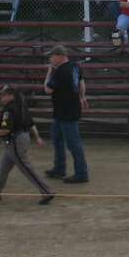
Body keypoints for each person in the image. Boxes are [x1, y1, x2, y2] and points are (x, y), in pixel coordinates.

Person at [0, 85, 54, 205]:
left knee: (25, 167)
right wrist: (37, 137)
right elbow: (31, 124)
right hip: (20, 139)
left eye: (3, 95)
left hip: (15, 141)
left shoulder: (9, 109)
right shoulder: (21, 105)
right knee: (4, 167)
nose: (1, 97)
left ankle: (47, 191)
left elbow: (6, 130)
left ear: (11, 95)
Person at [42, 45, 89, 184]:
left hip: (65, 110)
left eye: (51, 56)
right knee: (57, 138)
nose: (50, 59)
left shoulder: (60, 71)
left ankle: (81, 173)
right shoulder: (75, 66)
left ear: (59, 56)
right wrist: (82, 97)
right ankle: (59, 168)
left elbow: (47, 89)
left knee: (73, 143)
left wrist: (49, 73)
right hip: (67, 109)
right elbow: (81, 83)